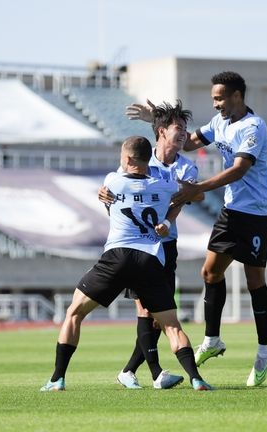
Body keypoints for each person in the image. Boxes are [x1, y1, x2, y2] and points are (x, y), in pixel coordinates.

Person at [126, 71, 267, 386]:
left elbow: (239, 169)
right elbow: (191, 141)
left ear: (237, 95)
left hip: (257, 212)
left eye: (219, 98)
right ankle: (213, 339)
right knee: (210, 273)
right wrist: (158, 120)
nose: (215, 104)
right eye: (213, 99)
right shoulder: (219, 122)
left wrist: (199, 188)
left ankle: (264, 351)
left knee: (254, 279)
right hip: (231, 209)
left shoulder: (253, 127)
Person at [40, 136, 212, 392]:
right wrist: (169, 215)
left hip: (117, 257)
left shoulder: (113, 179)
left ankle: (57, 379)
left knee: (74, 313)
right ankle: (196, 379)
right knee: (171, 326)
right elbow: (195, 194)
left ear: (128, 159)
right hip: (151, 260)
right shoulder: (165, 185)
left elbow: (108, 198)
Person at [99, 100, 203, 389]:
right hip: (137, 245)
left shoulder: (187, 167)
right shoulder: (144, 159)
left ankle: (131, 371)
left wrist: (168, 223)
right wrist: (104, 194)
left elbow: (181, 201)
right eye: (178, 129)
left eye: (185, 130)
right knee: (147, 310)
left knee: (159, 314)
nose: (183, 134)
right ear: (161, 132)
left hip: (166, 244)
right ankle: (152, 373)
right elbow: (116, 189)